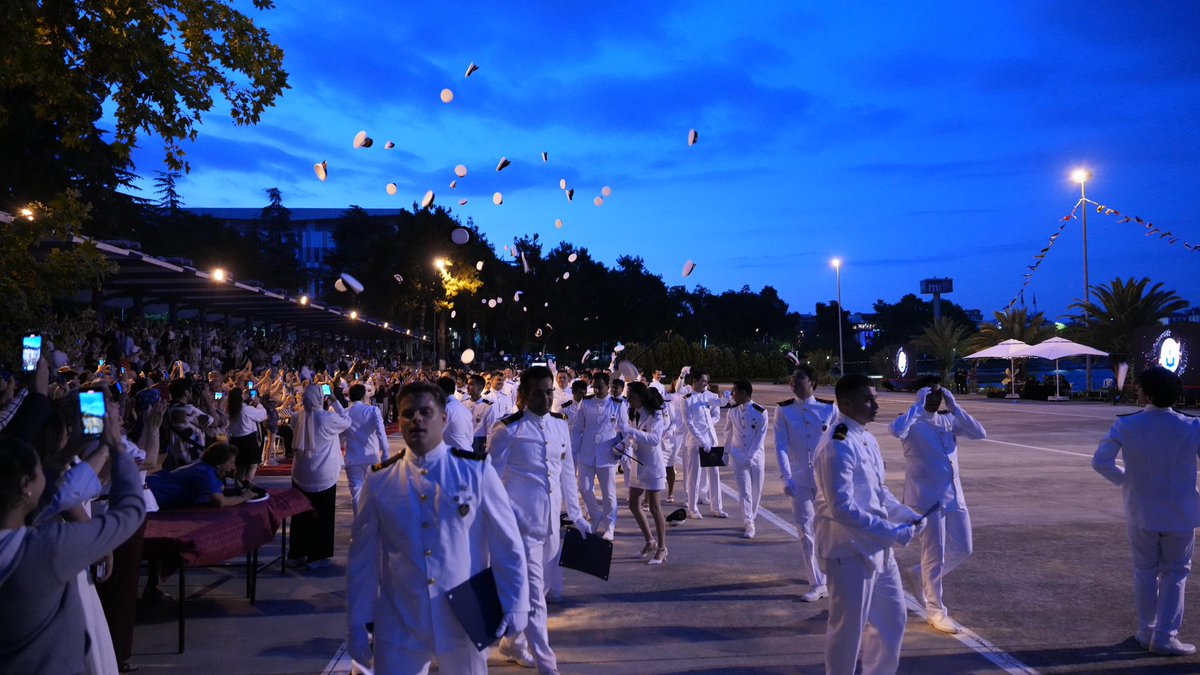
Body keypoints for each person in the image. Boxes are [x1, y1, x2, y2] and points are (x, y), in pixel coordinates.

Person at [346, 381, 529, 674]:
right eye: (408, 413)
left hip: (464, 617)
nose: (416, 419)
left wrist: (516, 602)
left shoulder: (476, 471)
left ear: (444, 419)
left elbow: (507, 544)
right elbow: (362, 562)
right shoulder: (380, 480)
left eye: (425, 412)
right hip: (401, 617)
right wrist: (358, 622)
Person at [0, 432, 145, 674]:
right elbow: (130, 513)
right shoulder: (46, 549)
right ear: (26, 486)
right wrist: (118, 449)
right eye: (39, 472)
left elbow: (52, 495)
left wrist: (73, 446)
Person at [814, 373, 923, 675]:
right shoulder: (838, 444)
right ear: (845, 402)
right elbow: (843, 508)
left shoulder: (866, 436)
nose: (876, 404)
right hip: (848, 551)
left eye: (875, 397)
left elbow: (878, 491)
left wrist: (904, 514)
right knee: (847, 632)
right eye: (868, 399)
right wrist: (894, 533)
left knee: (893, 620)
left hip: (877, 547)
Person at [488, 366, 591, 673]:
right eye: (538, 393)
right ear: (523, 395)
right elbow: (489, 481)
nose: (546, 398)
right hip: (520, 526)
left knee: (540, 588)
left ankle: (513, 643)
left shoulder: (560, 424)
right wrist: (509, 512)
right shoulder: (508, 429)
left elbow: (566, 475)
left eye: (549, 392)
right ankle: (548, 665)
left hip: (550, 524)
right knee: (535, 597)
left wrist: (576, 513)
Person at [1093, 366, 1200, 656]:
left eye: (1139, 387)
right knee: (1176, 573)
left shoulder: (1128, 425)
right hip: (1181, 511)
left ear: (1147, 393)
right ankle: (1166, 636)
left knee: (1144, 571)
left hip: (1141, 510)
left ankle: (1146, 630)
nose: (1136, 391)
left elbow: (1101, 462)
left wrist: (1127, 480)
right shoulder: (1191, 426)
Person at [888, 376, 987, 634]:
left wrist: (955, 407)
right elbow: (896, 430)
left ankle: (919, 574)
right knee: (935, 555)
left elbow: (980, 433)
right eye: (929, 394)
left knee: (964, 548)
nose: (935, 398)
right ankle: (935, 611)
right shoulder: (910, 422)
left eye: (938, 394)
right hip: (926, 499)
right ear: (920, 396)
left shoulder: (948, 420)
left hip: (955, 496)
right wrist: (917, 407)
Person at [775, 364, 838, 602]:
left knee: (830, 529)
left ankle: (833, 574)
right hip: (799, 479)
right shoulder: (784, 410)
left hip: (826, 478)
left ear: (812, 382)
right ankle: (816, 582)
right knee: (805, 531)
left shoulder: (829, 409)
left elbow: (840, 436)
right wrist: (786, 476)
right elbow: (780, 446)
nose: (793, 382)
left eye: (799, 378)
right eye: (792, 378)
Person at [289, 383, 351, 570]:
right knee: (322, 515)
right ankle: (317, 556)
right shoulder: (327, 418)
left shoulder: (296, 417)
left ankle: (297, 553)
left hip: (301, 472)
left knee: (299, 515)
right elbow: (346, 420)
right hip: (323, 472)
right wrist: (333, 399)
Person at [570, 372, 627, 540]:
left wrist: (622, 446)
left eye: (600, 387)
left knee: (609, 494)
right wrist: (574, 451)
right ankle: (595, 514)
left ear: (608, 387)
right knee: (584, 487)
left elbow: (624, 431)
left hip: (607, 454)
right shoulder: (585, 403)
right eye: (594, 387)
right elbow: (577, 429)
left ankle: (610, 526)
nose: (596, 390)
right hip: (586, 453)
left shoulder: (617, 404)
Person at [620, 382, 669, 564]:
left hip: (653, 465)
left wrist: (630, 431)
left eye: (631, 396)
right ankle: (650, 541)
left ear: (641, 397)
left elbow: (655, 439)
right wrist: (623, 444)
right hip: (637, 465)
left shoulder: (655, 414)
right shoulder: (633, 412)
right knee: (633, 504)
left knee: (655, 509)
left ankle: (663, 548)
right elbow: (631, 436)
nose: (629, 399)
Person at [723, 380, 768, 539]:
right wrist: (726, 452)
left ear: (743, 393)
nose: (732, 394)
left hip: (756, 458)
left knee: (757, 490)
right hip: (738, 455)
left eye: (734, 391)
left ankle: (751, 517)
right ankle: (749, 522)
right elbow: (727, 432)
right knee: (745, 492)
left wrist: (751, 456)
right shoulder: (732, 412)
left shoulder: (760, 412)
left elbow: (760, 438)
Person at [146, 442, 251, 509]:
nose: (233, 467)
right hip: (153, 492)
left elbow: (220, 489)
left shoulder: (207, 468)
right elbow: (220, 501)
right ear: (220, 463)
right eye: (231, 463)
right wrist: (244, 497)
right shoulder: (206, 472)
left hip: (153, 489)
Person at [681, 369, 726, 519]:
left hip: (711, 440)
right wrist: (701, 441)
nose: (706, 384)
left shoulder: (707, 396)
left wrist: (726, 399)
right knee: (694, 475)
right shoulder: (687, 399)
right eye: (703, 381)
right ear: (694, 381)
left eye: (707, 381)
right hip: (696, 442)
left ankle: (716, 508)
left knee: (714, 474)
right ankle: (692, 508)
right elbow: (689, 423)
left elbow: (718, 406)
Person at [341, 383, 390, 515]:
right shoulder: (372, 410)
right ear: (364, 396)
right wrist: (385, 454)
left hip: (352, 459)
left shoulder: (345, 413)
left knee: (356, 495)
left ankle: (359, 529)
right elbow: (381, 433)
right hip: (371, 457)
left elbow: (340, 437)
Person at [226, 386, 268, 491]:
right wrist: (258, 403)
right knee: (253, 465)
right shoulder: (245, 409)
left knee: (240, 466)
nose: (245, 394)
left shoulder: (230, 410)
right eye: (242, 393)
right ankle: (247, 484)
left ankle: (238, 487)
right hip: (248, 440)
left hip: (235, 440)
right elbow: (262, 415)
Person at [438, 376, 473, 451]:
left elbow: (436, 435)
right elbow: (470, 437)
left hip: (455, 456)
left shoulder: (446, 409)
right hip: (468, 452)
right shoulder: (464, 408)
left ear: (439, 391)